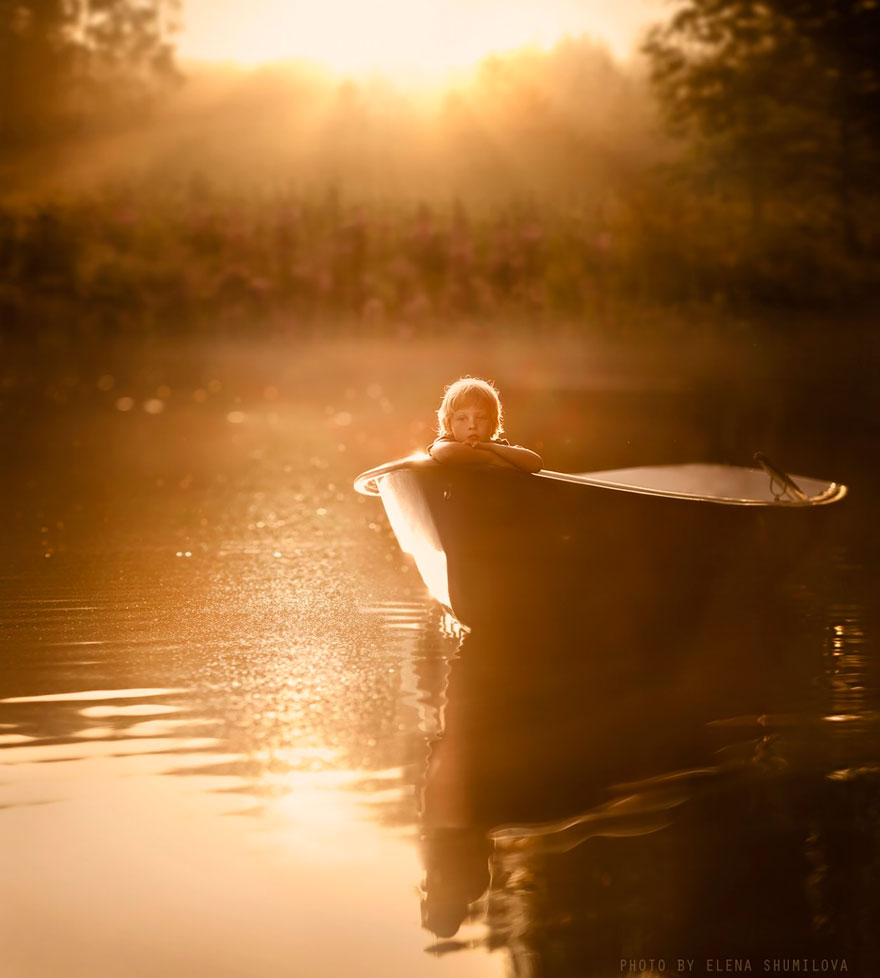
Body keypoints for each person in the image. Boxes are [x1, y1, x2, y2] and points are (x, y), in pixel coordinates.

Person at [427, 377, 542, 473]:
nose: (472, 425)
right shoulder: (447, 441)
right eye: (462, 418)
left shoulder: (497, 447)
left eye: (481, 418)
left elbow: (535, 463)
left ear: (492, 423)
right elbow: (447, 453)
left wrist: (491, 447)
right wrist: (492, 459)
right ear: (449, 424)